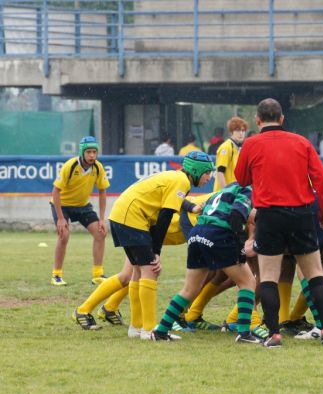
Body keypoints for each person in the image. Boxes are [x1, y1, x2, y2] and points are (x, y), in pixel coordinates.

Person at [234, 98, 323, 347]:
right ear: (283, 119)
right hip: (302, 213)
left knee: (269, 275)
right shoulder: (301, 142)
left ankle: (274, 334)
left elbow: (241, 179)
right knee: (314, 273)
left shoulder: (251, 144)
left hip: (269, 215)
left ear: (257, 120)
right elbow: (320, 181)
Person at [104, 151, 215, 340]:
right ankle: (149, 330)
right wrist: (156, 252)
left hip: (120, 214)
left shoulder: (176, 178)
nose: (209, 178)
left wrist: (190, 208)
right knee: (151, 271)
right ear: (196, 170)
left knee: (138, 272)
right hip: (132, 217)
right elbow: (165, 217)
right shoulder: (182, 181)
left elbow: (171, 204)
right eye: (207, 173)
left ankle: (136, 327)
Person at [152, 183, 261, 343]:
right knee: (248, 282)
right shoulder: (248, 189)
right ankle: (244, 334)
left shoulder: (228, 189)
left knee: (189, 289)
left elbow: (247, 214)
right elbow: (237, 214)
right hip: (219, 234)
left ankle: (160, 331)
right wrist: (239, 245)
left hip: (198, 232)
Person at [50, 136, 110, 286]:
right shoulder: (70, 166)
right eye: (89, 152)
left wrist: (102, 219)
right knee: (64, 235)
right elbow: (55, 192)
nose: (92, 155)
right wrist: (61, 218)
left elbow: (102, 192)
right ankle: (56, 275)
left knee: (100, 233)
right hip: (62, 205)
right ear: (82, 152)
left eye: (94, 152)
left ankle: (97, 275)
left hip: (82, 205)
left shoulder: (98, 167)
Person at [213, 116, 248, 191]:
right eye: (238, 130)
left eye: (243, 130)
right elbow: (220, 173)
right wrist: (226, 192)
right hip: (223, 194)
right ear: (231, 131)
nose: (241, 133)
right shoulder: (226, 147)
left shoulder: (238, 148)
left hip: (232, 191)